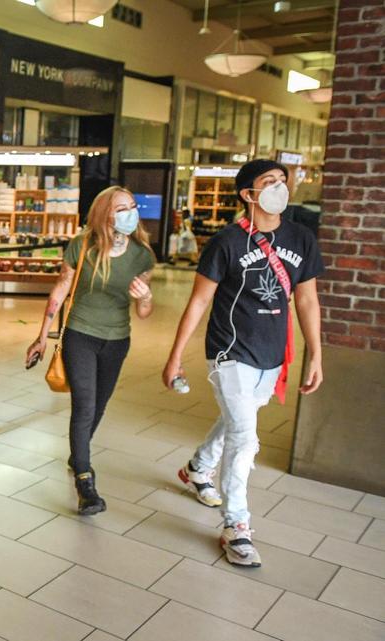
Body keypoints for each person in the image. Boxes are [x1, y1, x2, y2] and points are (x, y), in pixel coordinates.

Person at [163, 159, 323, 568]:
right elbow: (199, 300)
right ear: (248, 195)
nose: (280, 189)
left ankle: (198, 468)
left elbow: (306, 299)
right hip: (229, 352)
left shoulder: (302, 238)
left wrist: (316, 353)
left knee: (240, 420)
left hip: (271, 354)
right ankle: (236, 525)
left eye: (283, 182)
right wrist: (176, 355)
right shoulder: (227, 242)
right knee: (245, 436)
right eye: (269, 183)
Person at [26, 186, 156, 515]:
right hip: (80, 335)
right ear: (103, 214)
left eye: (132, 206)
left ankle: (77, 452)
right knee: (84, 407)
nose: (129, 212)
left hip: (117, 340)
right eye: (120, 208)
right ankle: (86, 482)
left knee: (99, 406)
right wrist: (42, 335)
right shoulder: (81, 246)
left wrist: (145, 298)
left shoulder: (142, 255)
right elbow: (61, 288)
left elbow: (144, 313)